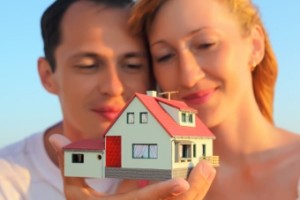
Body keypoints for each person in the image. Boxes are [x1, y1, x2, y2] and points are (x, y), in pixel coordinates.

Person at [0, 0, 216, 199]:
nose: (114, 87)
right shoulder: (7, 180)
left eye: (132, 66)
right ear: (47, 76)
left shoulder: (203, 174)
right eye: (88, 66)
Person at [127, 0, 300, 199]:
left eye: (206, 44)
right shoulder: (142, 185)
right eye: (164, 56)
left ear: (255, 45)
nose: (188, 77)